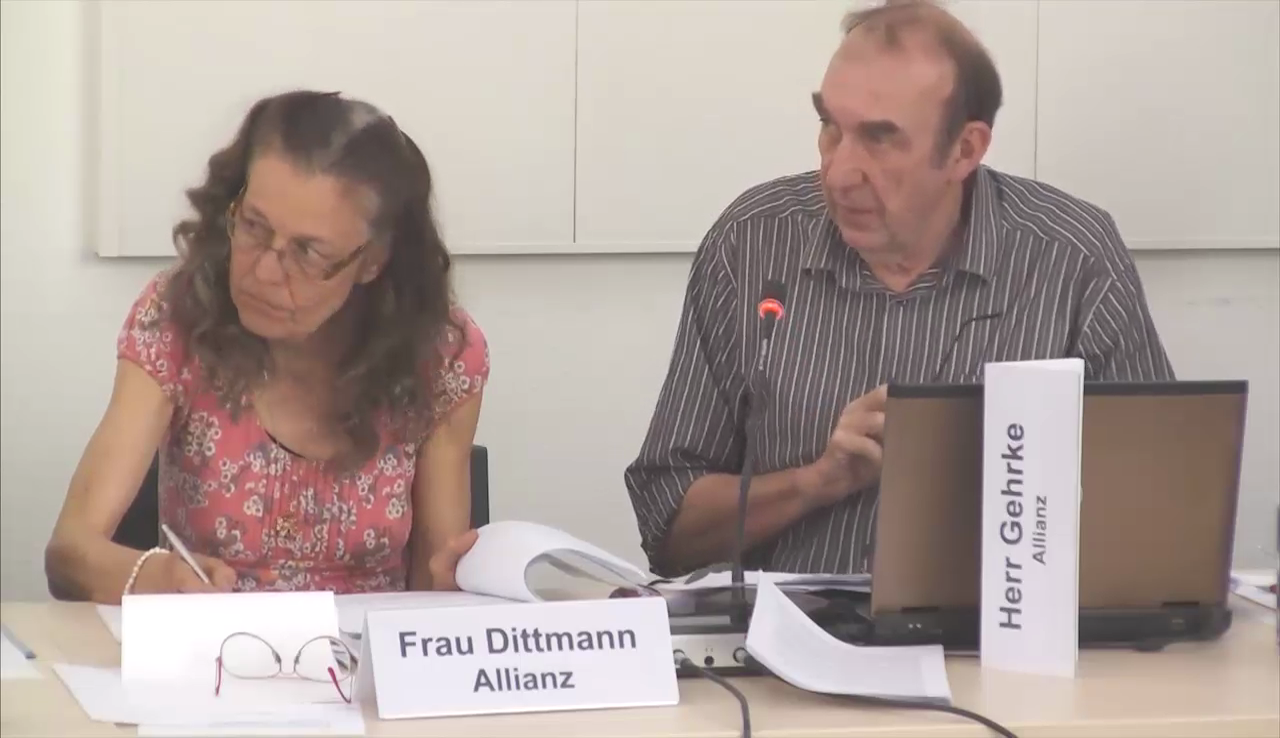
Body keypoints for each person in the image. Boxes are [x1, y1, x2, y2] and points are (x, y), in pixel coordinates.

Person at [625, 0, 1174, 578]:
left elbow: (1162, 509)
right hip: (784, 628)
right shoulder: (754, 242)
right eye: (829, 127)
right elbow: (668, 530)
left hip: (996, 625)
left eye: (880, 138)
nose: (838, 173)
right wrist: (817, 481)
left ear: (965, 149)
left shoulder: (1071, 256)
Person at [45, 91, 487, 602]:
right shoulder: (178, 318)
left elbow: (434, 589)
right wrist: (155, 577)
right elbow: (69, 554)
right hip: (214, 643)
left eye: (308, 252)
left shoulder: (441, 354)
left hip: (362, 649)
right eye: (254, 226)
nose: (265, 272)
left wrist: (475, 581)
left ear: (372, 261)